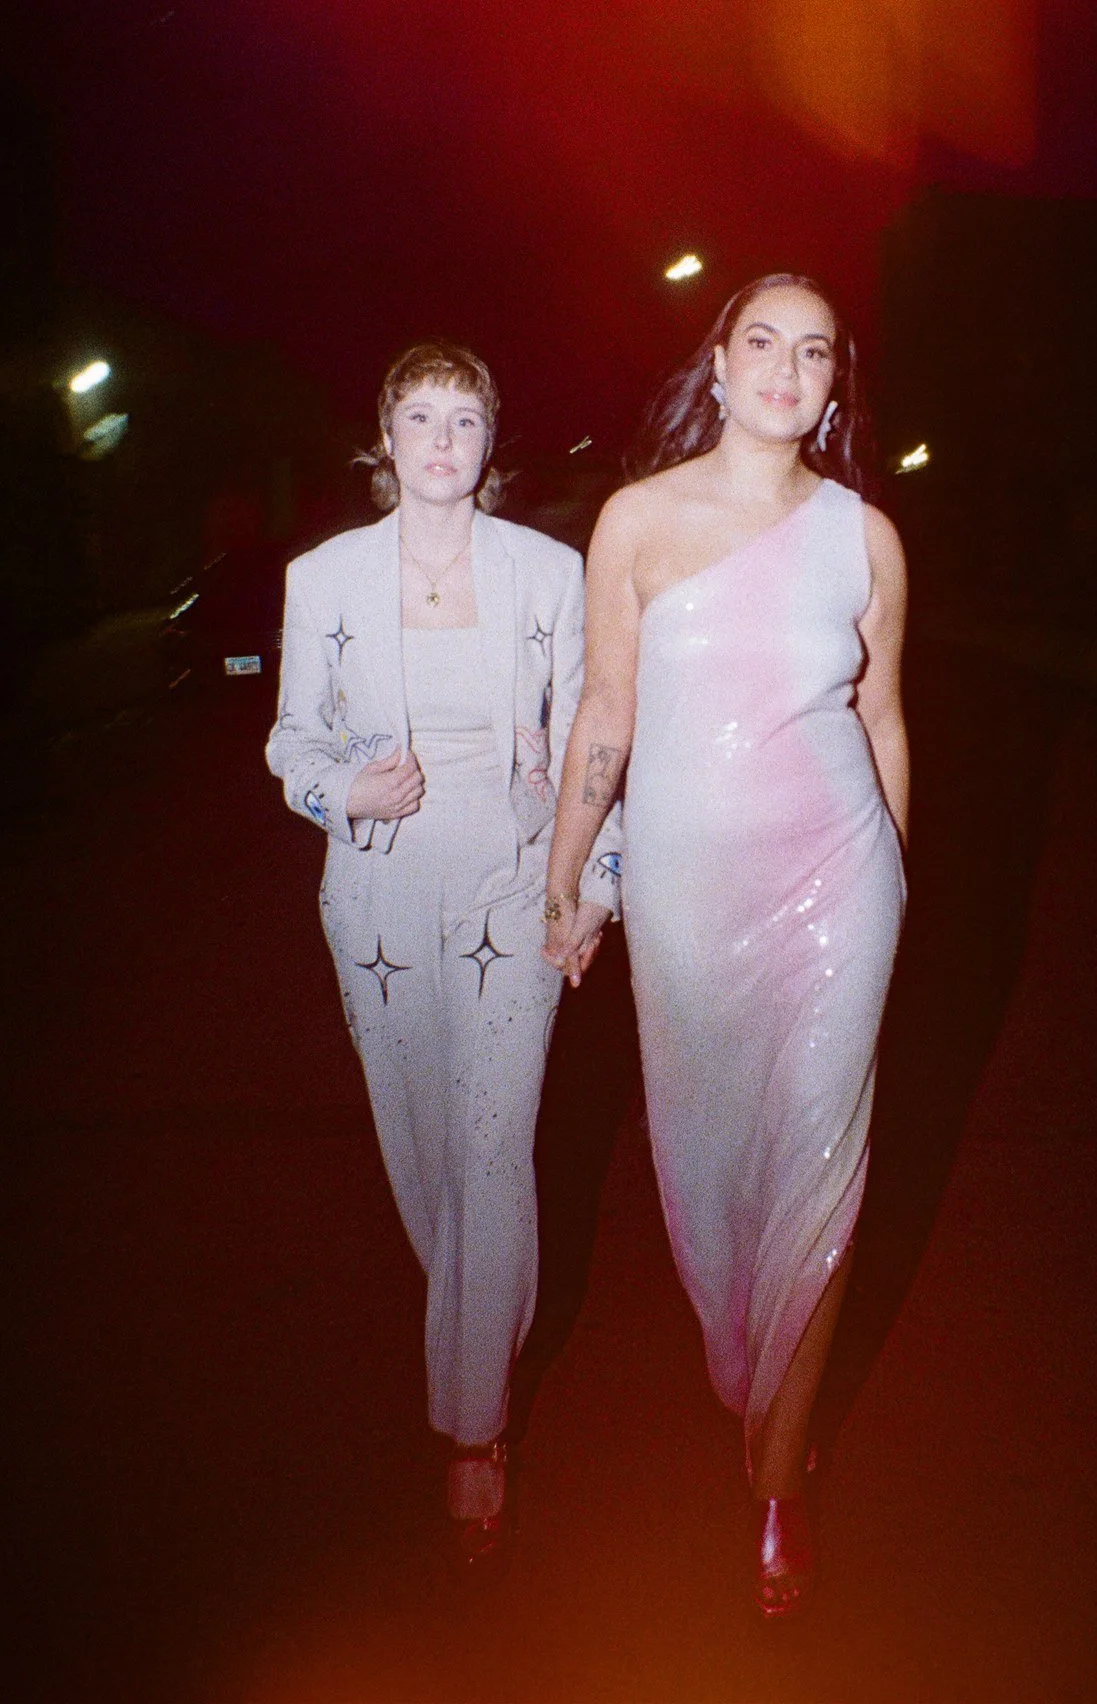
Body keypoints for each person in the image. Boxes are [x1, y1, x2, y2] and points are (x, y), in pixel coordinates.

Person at [543, 276, 908, 1618]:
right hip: (691, 892)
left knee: (822, 1155)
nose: (785, 367)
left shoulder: (864, 537)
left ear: (831, 387)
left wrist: (899, 891)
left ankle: (774, 1478)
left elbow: (882, 725)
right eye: (763, 339)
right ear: (718, 361)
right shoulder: (637, 520)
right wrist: (566, 875)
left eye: (814, 351)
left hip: (838, 887)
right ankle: (757, 1389)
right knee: (705, 1168)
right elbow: (605, 709)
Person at [267, 342, 619, 1572]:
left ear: (489, 441)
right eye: (418, 415)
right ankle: (473, 1313)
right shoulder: (324, 578)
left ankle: (473, 1426)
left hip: (510, 876)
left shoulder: (550, 572)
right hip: (375, 887)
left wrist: (594, 886)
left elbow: (590, 735)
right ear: (383, 434)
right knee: (423, 1152)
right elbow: (289, 737)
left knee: (491, 1143)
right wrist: (338, 786)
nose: (440, 439)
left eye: (464, 419)